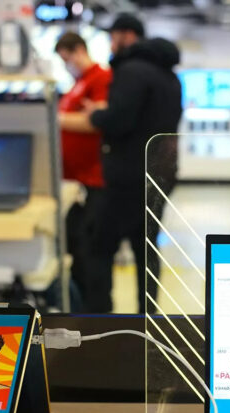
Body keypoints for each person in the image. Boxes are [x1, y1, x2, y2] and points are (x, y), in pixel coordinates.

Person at [76, 13, 183, 313]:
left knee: (99, 248)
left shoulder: (131, 71)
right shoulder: (169, 76)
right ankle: (148, 318)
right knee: (146, 249)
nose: (111, 43)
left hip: (127, 178)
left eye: (113, 36)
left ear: (127, 35)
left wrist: (96, 115)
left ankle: (100, 318)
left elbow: (119, 121)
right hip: (159, 175)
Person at [55, 32, 112, 307]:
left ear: (79, 50)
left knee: (89, 250)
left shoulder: (100, 78)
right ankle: (80, 307)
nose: (67, 65)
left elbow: (96, 121)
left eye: (67, 58)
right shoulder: (78, 84)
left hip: (93, 179)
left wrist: (57, 119)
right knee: (75, 248)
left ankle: (95, 309)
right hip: (74, 181)